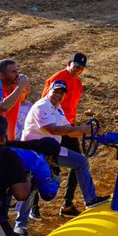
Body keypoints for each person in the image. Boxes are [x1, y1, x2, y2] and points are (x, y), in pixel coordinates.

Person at [20, 79, 107, 219]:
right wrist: (80, 128)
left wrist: (92, 132)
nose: (58, 95)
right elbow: (53, 130)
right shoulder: (41, 106)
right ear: (49, 91)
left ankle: (90, 200)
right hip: (35, 152)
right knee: (33, 184)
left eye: (62, 93)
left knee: (81, 161)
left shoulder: (58, 109)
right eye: (56, 91)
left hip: (52, 150)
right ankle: (21, 223)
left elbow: (70, 132)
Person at [47, 53, 87, 213]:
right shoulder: (57, 78)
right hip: (54, 128)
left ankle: (67, 204)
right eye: (77, 66)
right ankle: (33, 207)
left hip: (68, 127)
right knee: (44, 162)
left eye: (82, 68)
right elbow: (46, 102)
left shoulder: (78, 83)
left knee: (79, 161)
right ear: (69, 63)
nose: (79, 70)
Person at [0, 59, 30, 141]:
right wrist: (20, 87)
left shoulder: (13, 88)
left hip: (9, 139)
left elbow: (26, 93)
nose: (17, 74)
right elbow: (3, 107)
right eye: (13, 72)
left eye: (17, 71)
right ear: (2, 75)